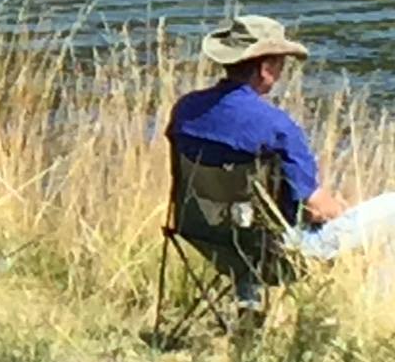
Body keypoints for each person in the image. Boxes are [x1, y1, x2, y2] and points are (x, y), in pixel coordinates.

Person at [168, 15, 395, 266]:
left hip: (208, 235)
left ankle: (248, 300)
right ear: (265, 69)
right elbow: (315, 208)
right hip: (278, 248)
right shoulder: (276, 126)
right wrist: (339, 209)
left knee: (251, 227)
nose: (281, 73)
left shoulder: (186, 109)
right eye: (281, 65)